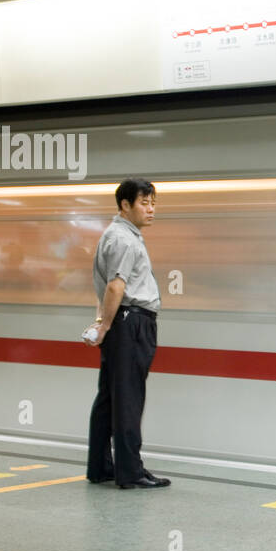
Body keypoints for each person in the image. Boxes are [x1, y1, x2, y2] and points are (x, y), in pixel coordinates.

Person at [85, 178, 171, 490]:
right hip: (131, 323)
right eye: (144, 203)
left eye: (153, 203)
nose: (151, 210)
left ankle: (101, 467)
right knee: (129, 398)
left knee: (109, 397)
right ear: (125, 205)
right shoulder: (123, 239)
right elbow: (115, 286)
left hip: (123, 322)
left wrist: (104, 324)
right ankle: (130, 471)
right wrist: (105, 325)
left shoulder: (117, 235)